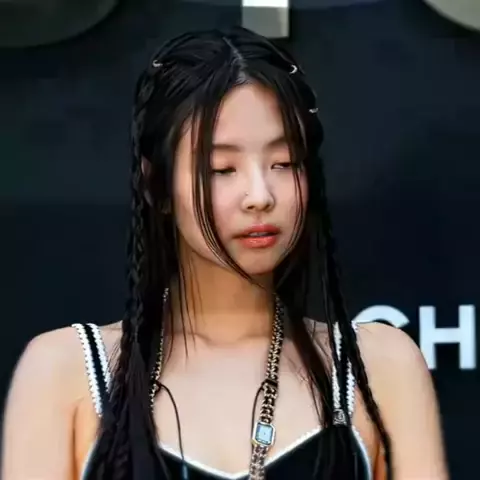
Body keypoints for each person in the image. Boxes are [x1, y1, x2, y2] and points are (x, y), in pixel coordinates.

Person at [1, 27, 447, 480]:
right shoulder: (66, 373)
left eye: (284, 163)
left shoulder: (379, 366)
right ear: (156, 185)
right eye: (222, 168)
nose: (260, 195)